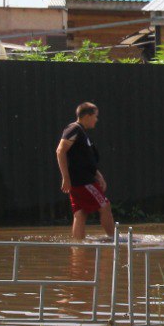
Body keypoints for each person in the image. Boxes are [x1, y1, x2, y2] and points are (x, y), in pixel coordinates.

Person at [56, 101, 115, 241]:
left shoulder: (82, 133)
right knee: (105, 206)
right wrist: (65, 177)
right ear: (87, 116)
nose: (96, 119)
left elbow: (86, 159)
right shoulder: (74, 129)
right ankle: (115, 240)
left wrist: (98, 175)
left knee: (80, 213)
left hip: (83, 179)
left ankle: (78, 247)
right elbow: (60, 151)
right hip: (83, 181)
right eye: (95, 116)